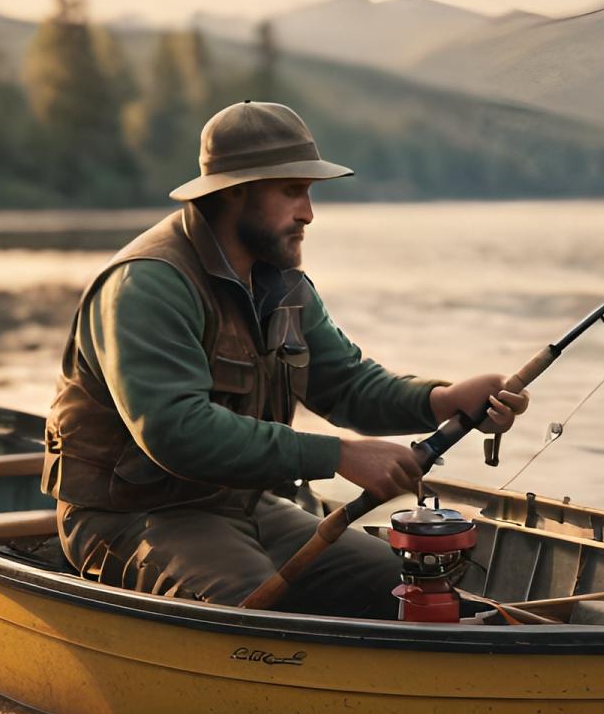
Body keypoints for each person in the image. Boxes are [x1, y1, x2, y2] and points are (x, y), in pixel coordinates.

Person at [42, 101, 529, 618]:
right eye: (292, 191)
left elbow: (344, 384)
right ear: (234, 193)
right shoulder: (148, 285)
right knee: (252, 616)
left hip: (245, 506)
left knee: (404, 587)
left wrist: (441, 399)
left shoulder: (282, 282)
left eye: (310, 192)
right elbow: (175, 430)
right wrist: (338, 454)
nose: (309, 213)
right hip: (131, 517)